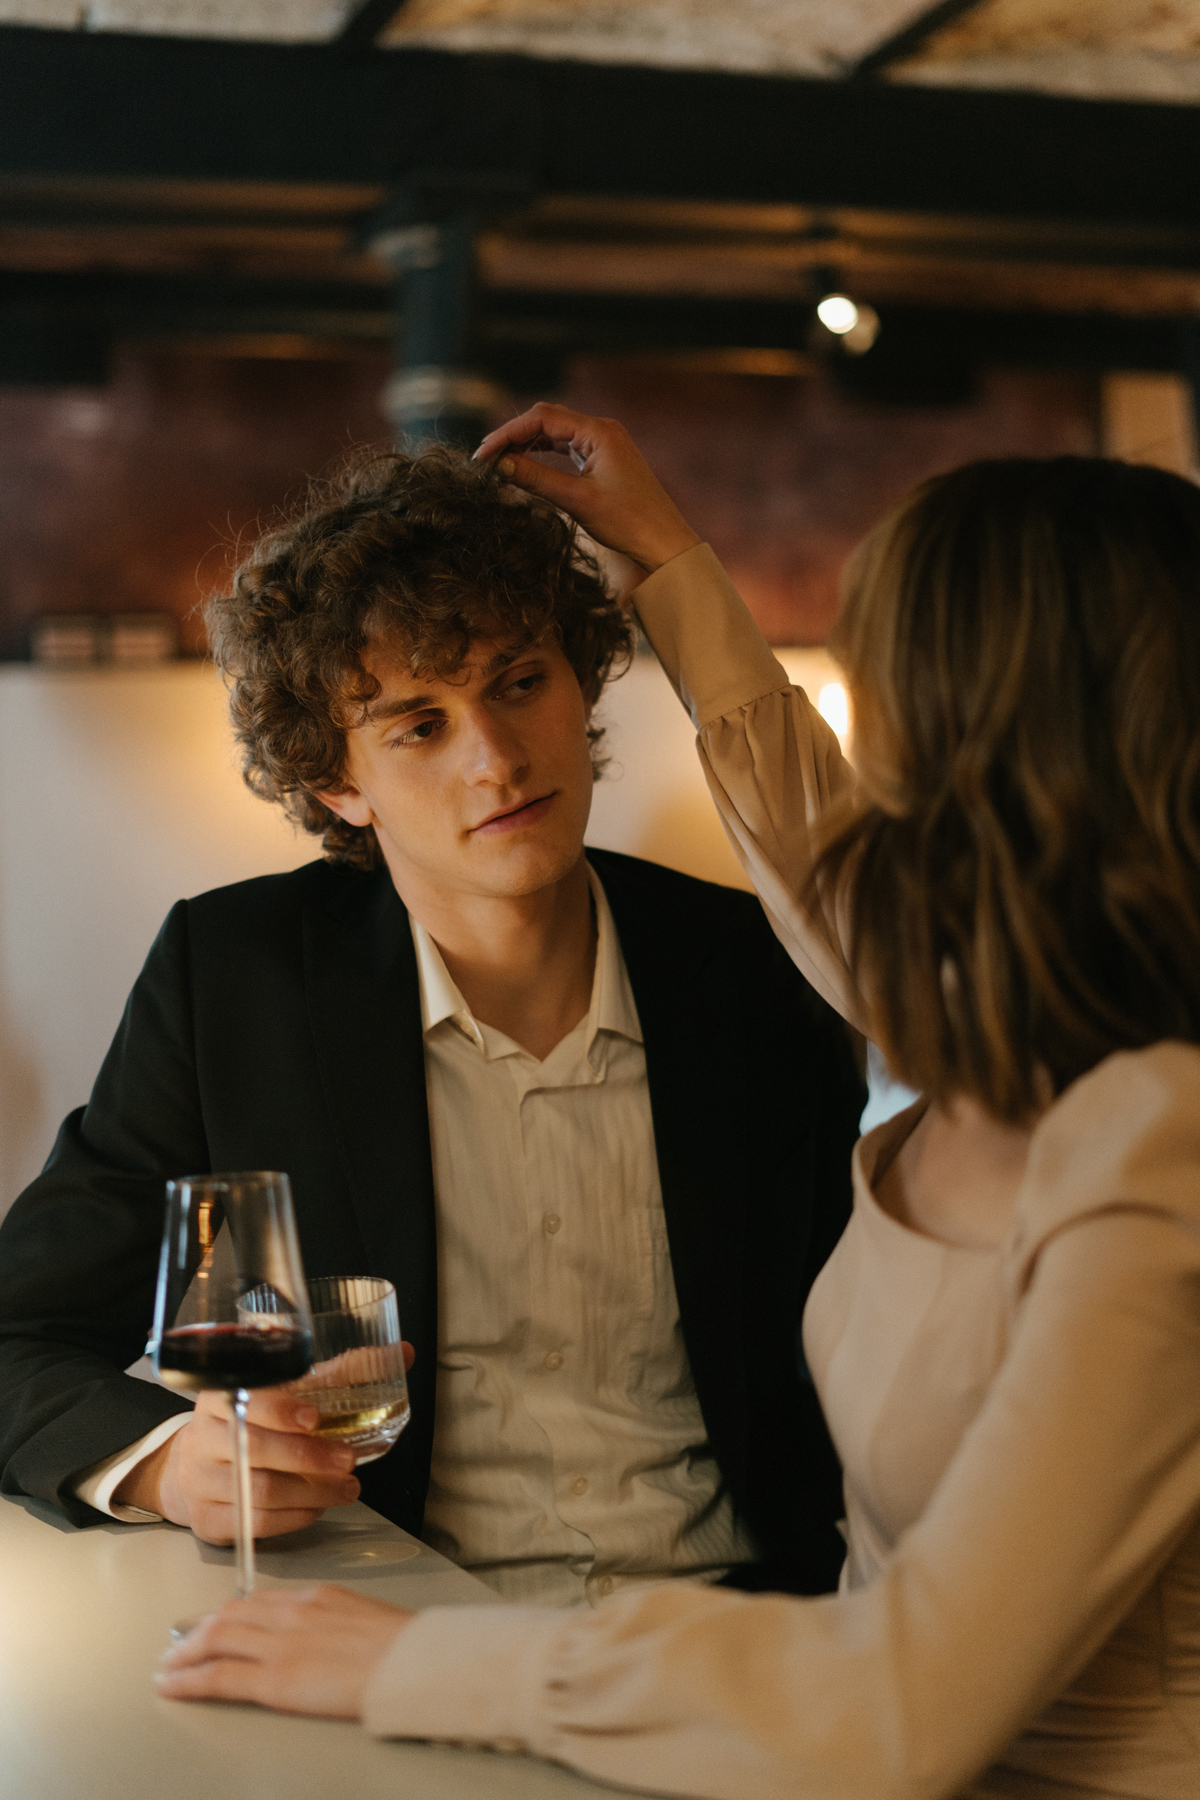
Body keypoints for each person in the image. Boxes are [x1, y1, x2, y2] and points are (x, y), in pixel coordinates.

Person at [158, 405, 1200, 1800]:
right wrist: (668, 556)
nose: (864, 746)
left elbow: (905, 1698)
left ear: (1007, 753)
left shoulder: (1155, 1137)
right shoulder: (996, 1027)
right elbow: (820, 849)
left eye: (889, 695)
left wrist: (410, 1667)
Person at [0, 444, 864, 1607]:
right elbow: (17, 1336)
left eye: (519, 682)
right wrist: (168, 1463)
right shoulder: (233, 980)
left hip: (744, 1641)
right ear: (334, 784)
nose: (497, 759)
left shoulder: (760, 966)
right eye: (418, 724)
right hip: (403, 1632)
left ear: (580, 679)